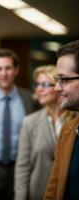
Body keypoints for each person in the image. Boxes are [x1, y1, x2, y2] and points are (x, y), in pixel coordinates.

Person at [14, 65, 76, 200]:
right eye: (37, 84)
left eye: (46, 84)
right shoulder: (29, 122)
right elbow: (22, 168)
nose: (39, 89)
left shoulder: (74, 121)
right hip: (37, 193)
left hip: (68, 193)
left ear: (60, 86)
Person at [0, 48, 37, 200]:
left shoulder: (30, 100)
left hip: (22, 167)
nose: (4, 73)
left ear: (16, 70)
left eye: (8, 68)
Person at [44, 40, 79, 200]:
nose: (57, 87)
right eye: (57, 79)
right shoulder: (67, 131)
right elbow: (52, 190)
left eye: (64, 79)